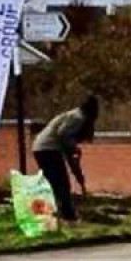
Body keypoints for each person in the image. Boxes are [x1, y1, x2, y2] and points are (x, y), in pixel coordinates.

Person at [32, 95, 99, 223]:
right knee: (61, 183)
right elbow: (62, 135)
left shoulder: (75, 115)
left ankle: (59, 212)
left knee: (56, 183)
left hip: (44, 148)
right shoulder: (78, 118)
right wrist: (73, 150)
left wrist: (77, 170)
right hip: (47, 149)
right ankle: (67, 215)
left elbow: (68, 151)